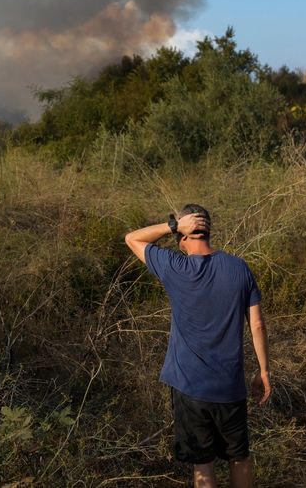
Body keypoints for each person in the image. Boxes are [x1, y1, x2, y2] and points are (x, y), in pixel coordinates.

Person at [124, 204, 271, 488]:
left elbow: (132, 238)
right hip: (229, 387)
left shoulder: (175, 266)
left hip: (190, 387)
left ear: (184, 236)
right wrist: (263, 371)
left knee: (203, 465)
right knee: (239, 458)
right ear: (209, 231)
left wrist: (171, 226)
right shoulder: (239, 268)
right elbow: (257, 326)